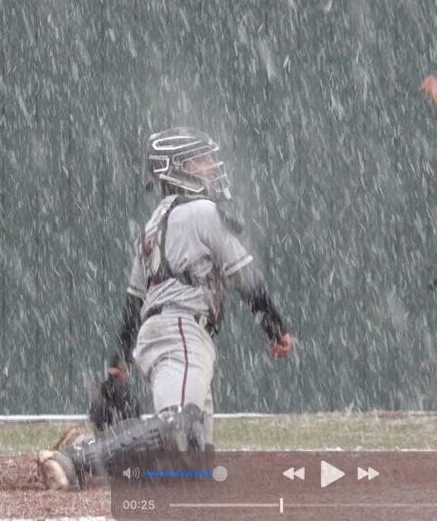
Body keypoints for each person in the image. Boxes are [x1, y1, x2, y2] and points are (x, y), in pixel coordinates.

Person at [36, 127, 294, 490]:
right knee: (180, 429)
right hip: (183, 331)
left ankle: (100, 448)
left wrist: (119, 357)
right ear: (178, 169)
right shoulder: (205, 211)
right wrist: (275, 328)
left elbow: (134, 300)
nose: (210, 167)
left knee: (192, 465)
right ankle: (79, 458)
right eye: (200, 161)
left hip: (157, 333)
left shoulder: (153, 222)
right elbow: (246, 278)